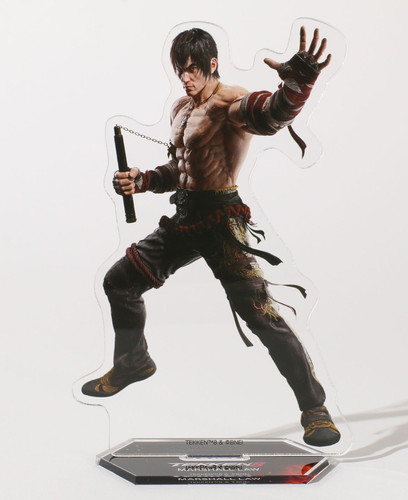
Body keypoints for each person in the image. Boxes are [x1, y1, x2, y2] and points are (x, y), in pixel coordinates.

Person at [82, 26, 341, 447]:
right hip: (185, 217)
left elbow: (272, 114)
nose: (185, 77)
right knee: (120, 282)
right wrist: (143, 180)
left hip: (222, 221)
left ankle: (315, 409)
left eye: (192, 69)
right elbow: (182, 170)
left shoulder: (229, 103)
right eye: (179, 70)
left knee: (261, 314)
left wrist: (298, 84)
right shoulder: (181, 109)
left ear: (212, 64)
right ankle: (132, 362)